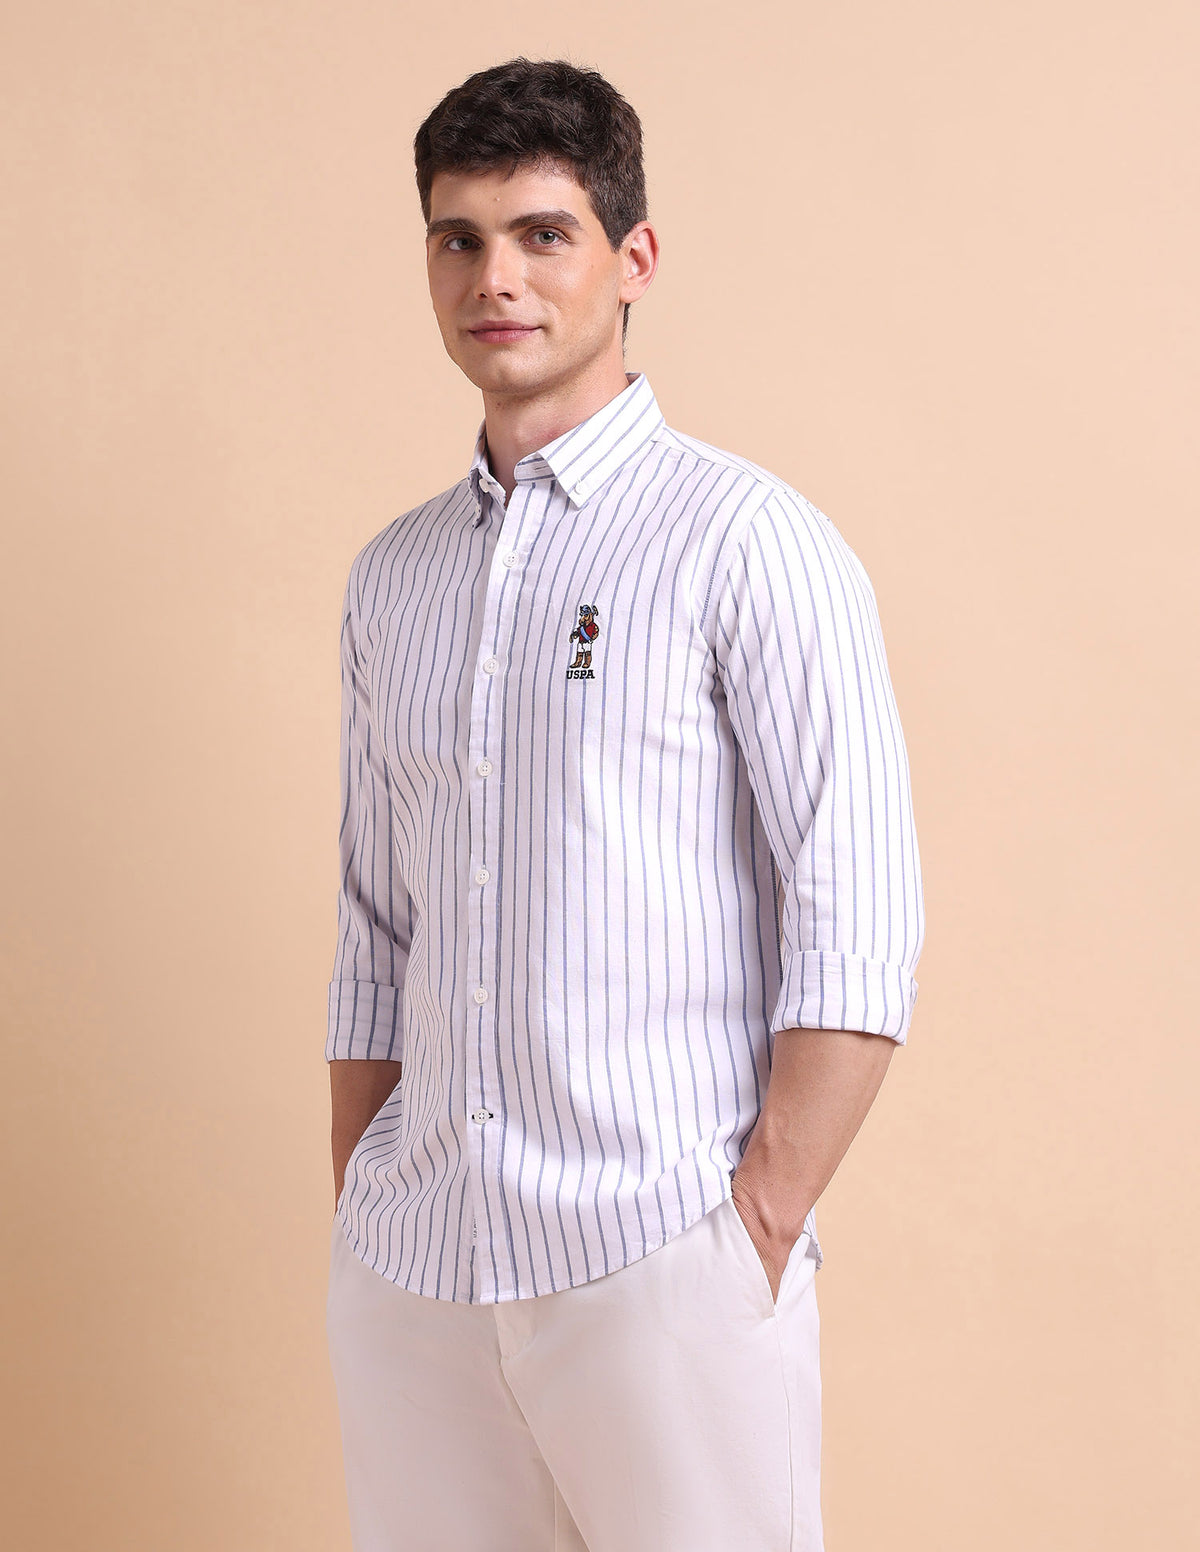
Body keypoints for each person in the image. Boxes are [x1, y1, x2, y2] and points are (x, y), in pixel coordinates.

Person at [324, 56, 925, 1552]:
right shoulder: (393, 578)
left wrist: (752, 1228)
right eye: (458, 238)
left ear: (631, 258)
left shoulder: (749, 541)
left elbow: (858, 907)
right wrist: (362, 1213)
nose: (496, 278)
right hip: (418, 1275)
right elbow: (373, 926)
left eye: (543, 234)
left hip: (661, 1256)